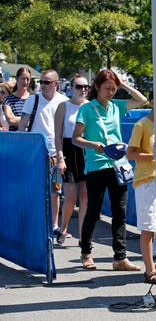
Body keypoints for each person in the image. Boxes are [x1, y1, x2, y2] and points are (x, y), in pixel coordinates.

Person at [72, 68, 147, 271]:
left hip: (118, 165)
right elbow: (75, 138)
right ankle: (86, 252)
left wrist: (122, 84)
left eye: (113, 89)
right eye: (107, 88)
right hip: (97, 164)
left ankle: (120, 257)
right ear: (96, 87)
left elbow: (141, 100)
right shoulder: (86, 109)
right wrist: (94, 145)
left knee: (119, 212)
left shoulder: (116, 106)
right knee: (93, 211)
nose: (111, 93)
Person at [18, 69, 69, 241]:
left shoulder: (64, 101)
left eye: (47, 82)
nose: (43, 85)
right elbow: (23, 124)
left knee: (55, 192)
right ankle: (33, 224)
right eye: (41, 82)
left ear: (56, 84)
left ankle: (54, 226)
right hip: (36, 153)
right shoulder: (33, 99)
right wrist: (21, 148)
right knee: (35, 190)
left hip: (56, 153)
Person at [126, 92, 156, 283]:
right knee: (148, 228)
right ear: (153, 102)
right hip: (146, 180)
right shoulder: (142, 125)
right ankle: (150, 270)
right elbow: (130, 153)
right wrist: (153, 156)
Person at [54, 74, 90, 244]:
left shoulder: (91, 106)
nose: (83, 89)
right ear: (71, 88)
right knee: (70, 197)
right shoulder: (63, 107)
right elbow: (58, 136)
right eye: (79, 86)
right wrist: (60, 157)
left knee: (85, 196)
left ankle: (83, 237)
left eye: (86, 86)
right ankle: (64, 226)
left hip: (87, 151)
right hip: (69, 150)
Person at [2, 67, 31, 131]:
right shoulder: (8, 100)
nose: (25, 81)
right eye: (23, 78)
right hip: (15, 138)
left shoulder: (33, 98)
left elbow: (38, 120)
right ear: (16, 79)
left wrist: (17, 119)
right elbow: (11, 120)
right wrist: (30, 120)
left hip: (31, 137)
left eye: (28, 79)